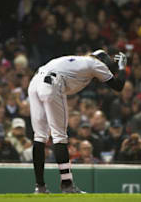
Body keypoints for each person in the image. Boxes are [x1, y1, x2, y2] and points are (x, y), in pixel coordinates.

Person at [28, 49, 127, 193]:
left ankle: (40, 187)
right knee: (59, 136)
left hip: (35, 82)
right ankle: (67, 185)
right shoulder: (95, 63)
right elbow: (118, 86)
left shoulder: (77, 60)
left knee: (39, 136)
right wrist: (123, 68)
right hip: (53, 83)